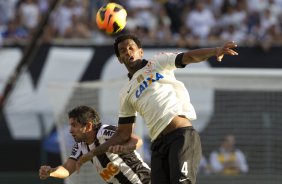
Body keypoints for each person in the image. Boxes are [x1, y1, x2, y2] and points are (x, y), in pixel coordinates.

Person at [76, 34, 238, 184]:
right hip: (158, 146)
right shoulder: (125, 93)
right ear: (119, 59)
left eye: (131, 48)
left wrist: (215, 51)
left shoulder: (158, 62)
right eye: (123, 51)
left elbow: (188, 56)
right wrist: (92, 153)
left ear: (140, 51)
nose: (128, 52)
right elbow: (123, 133)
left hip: (181, 137)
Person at [39, 105, 151, 184]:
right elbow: (67, 169)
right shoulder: (80, 147)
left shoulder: (104, 131)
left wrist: (125, 148)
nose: (70, 130)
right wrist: (51, 172)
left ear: (88, 126)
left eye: (74, 125)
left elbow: (137, 140)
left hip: (142, 180)